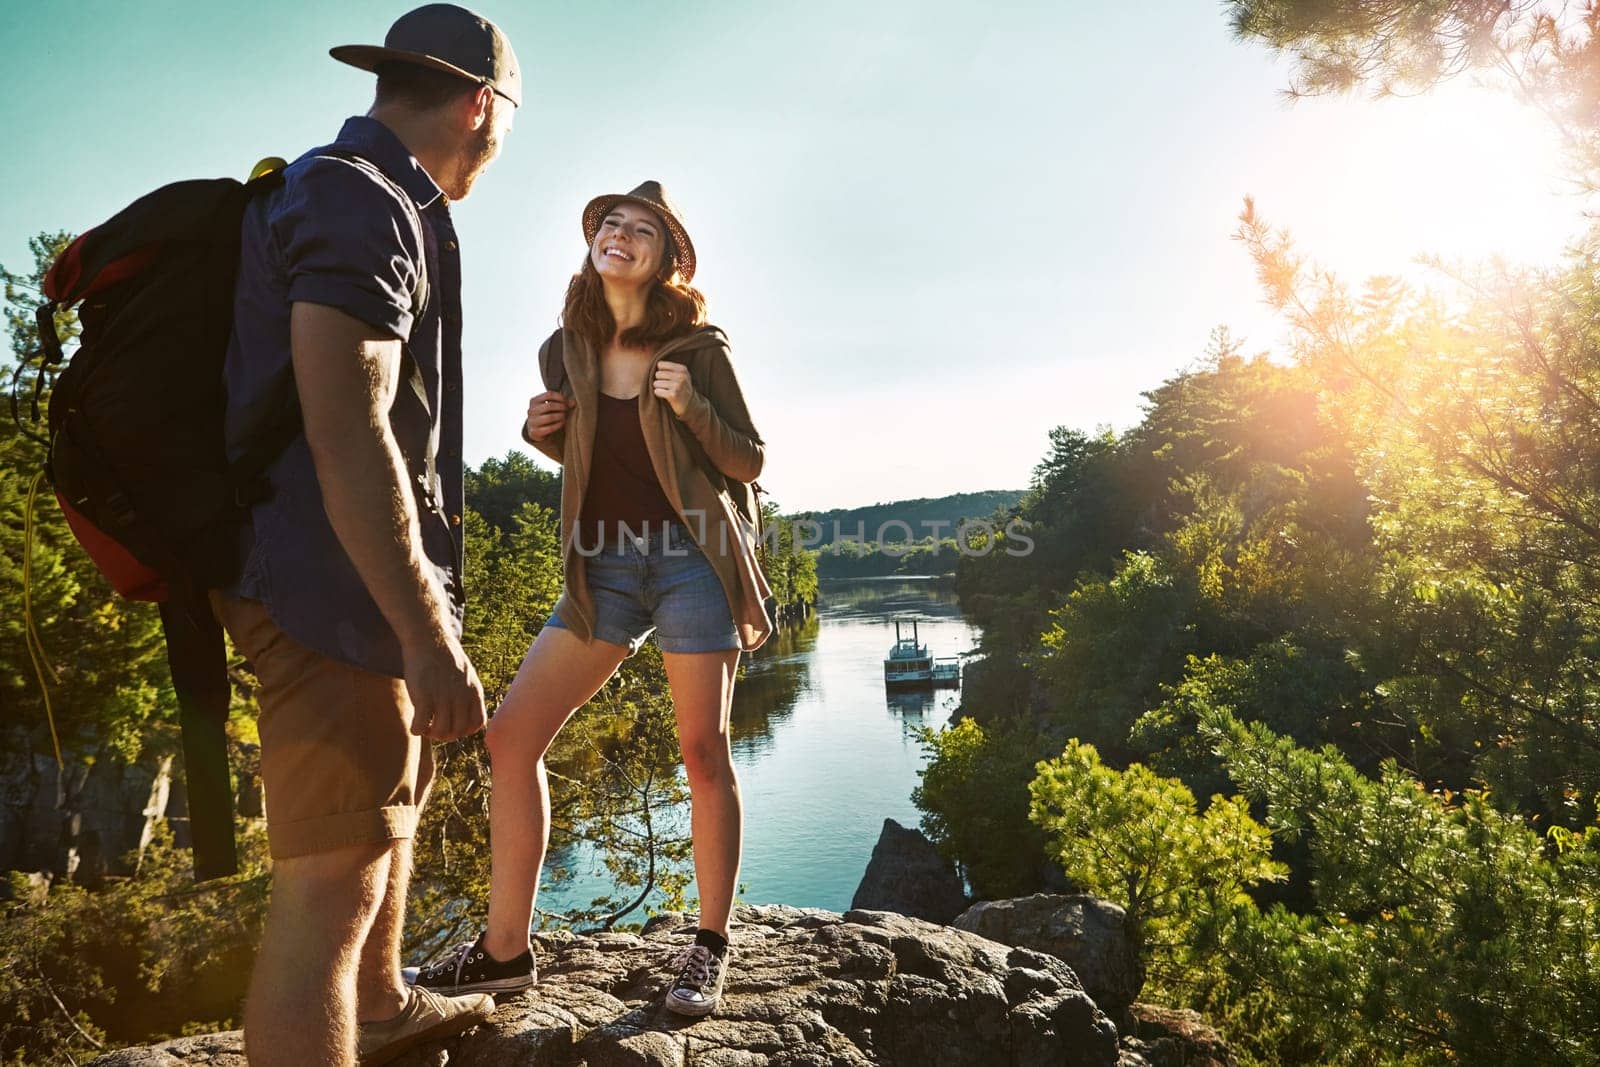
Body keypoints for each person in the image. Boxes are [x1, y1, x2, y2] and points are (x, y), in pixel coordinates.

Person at [210, 5, 519, 1064]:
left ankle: (382, 1006)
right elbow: (349, 421)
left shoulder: (357, 191)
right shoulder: (360, 199)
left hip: (339, 583)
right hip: (320, 584)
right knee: (329, 884)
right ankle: (355, 1001)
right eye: (507, 121)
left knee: (397, 798)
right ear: (480, 104)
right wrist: (428, 635)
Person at [408, 181, 776, 1017]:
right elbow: (589, 454)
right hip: (601, 569)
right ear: (594, 244)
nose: (621, 235)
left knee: (702, 752)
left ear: (665, 258)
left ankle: (710, 947)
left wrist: (689, 406)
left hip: (692, 562)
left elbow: (748, 460)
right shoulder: (561, 348)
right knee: (510, 737)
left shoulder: (698, 347)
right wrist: (544, 438)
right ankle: (505, 953)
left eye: (642, 229)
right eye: (612, 223)